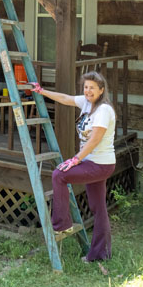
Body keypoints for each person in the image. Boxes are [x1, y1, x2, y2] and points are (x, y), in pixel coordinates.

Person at [31, 71, 116, 262]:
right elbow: (65, 98)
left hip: (100, 164)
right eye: (86, 87)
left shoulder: (103, 110)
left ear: (101, 90)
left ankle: (61, 224)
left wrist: (75, 160)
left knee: (59, 175)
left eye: (92, 88)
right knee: (98, 207)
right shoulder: (87, 103)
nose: (88, 91)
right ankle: (100, 253)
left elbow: (94, 140)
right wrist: (42, 91)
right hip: (93, 162)